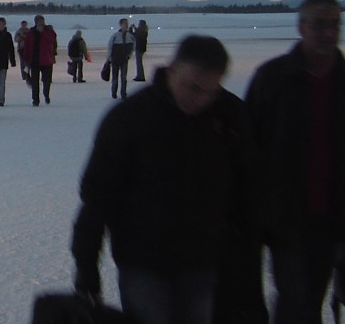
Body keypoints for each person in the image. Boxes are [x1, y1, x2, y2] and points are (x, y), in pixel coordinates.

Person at [71, 35, 261, 324]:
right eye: (193, 88)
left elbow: (248, 188)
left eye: (211, 91)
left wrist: (244, 250)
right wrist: (86, 264)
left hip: (204, 263)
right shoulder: (130, 119)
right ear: (172, 70)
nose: (201, 100)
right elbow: (98, 195)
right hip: (144, 265)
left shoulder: (229, 116)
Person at [245, 0, 345, 324]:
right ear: (301, 27)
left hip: (334, 217)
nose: (328, 33)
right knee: (297, 303)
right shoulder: (273, 79)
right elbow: (248, 148)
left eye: (334, 24)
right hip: (288, 219)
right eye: (319, 24)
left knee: (312, 297)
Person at [22, 14, 57, 106]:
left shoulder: (49, 30)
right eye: (39, 21)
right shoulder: (31, 32)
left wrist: (44, 32)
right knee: (35, 82)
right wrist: (26, 59)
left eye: (42, 21)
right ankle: (35, 100)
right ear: (36, 22)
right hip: (34, 60)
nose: (41, 23)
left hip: (47, 60)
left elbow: (52, 40)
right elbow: (27, 46)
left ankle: (46, 94)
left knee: (46, 80)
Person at [107, 19, 136, 99]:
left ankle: (123, 93)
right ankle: (114, 92)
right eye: (124, 24)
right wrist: (109, 58)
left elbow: (133, 47)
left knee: (124, 77)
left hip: (124, 59)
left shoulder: (130, 37)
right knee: (115, 77)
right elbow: (110, 47)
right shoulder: (115, 36)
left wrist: (129, 56)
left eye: (127, 24)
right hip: (115, 59)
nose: (126, 25)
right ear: (121, 25)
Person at [0, 18, 17, 106]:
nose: (1, 25)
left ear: (5, 25)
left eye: (3, 24)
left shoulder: (8, 35)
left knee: (2, 83)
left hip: (3, 62)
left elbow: (11, 49)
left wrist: (12, 61)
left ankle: (0, 100)